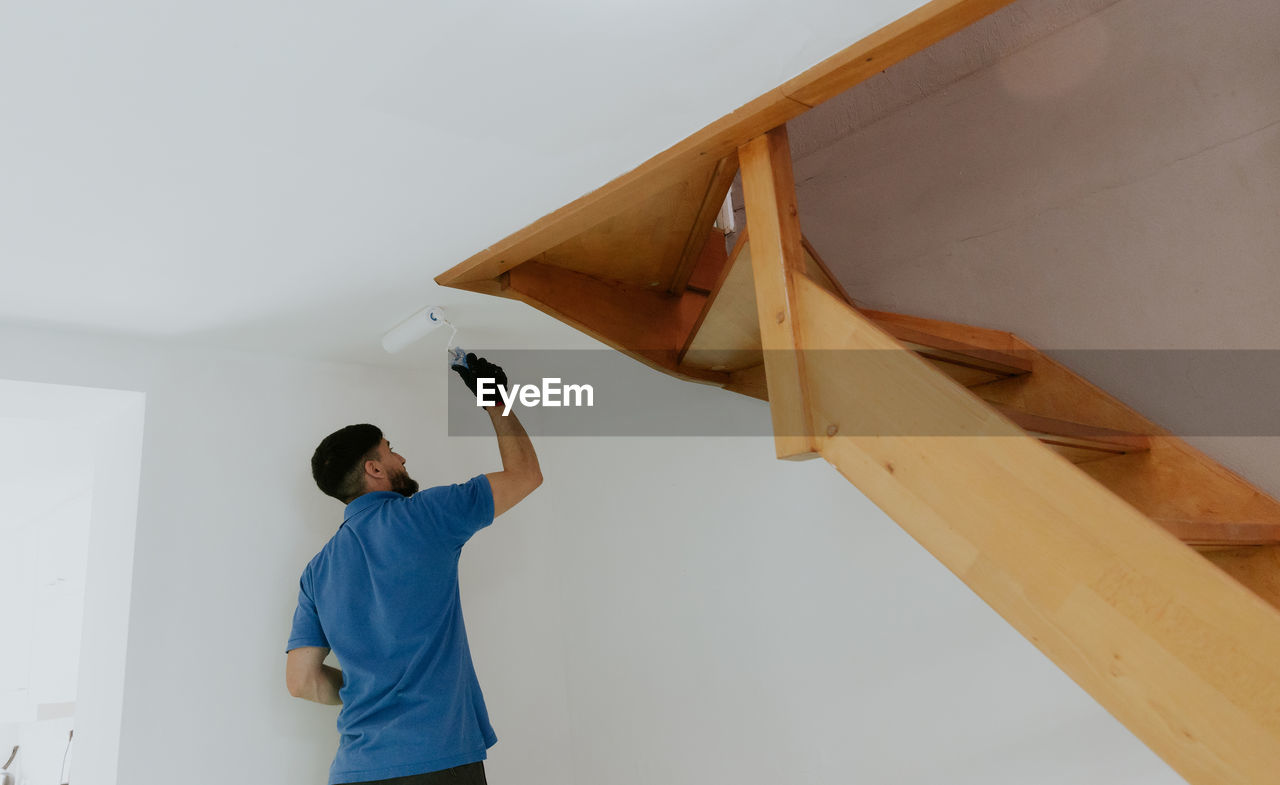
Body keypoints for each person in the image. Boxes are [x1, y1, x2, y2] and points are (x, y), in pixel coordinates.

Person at [286, 356, 541, 785]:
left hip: (354, 771)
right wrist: (496, 400)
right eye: (390, 450)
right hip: (435, 762)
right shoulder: (424, 515)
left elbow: (302, 681)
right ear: (374, 469)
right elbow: (525, 475)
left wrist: (369, 688)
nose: (401, 456)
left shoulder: (317, 571)